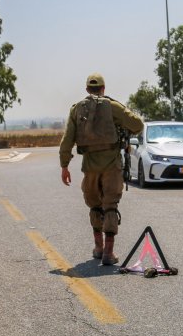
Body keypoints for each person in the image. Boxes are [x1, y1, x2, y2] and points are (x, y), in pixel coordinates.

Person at [59, 73, 144, 265]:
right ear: (103, 89)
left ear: (87, 89)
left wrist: (64, 166)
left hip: (89, 166)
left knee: (95, 205)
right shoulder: (112, 106)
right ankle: (108, 252)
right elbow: (138, 124)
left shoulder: (76, 109)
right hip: (112, 166)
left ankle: (98, 247)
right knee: (110, 205)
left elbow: (67, 141)